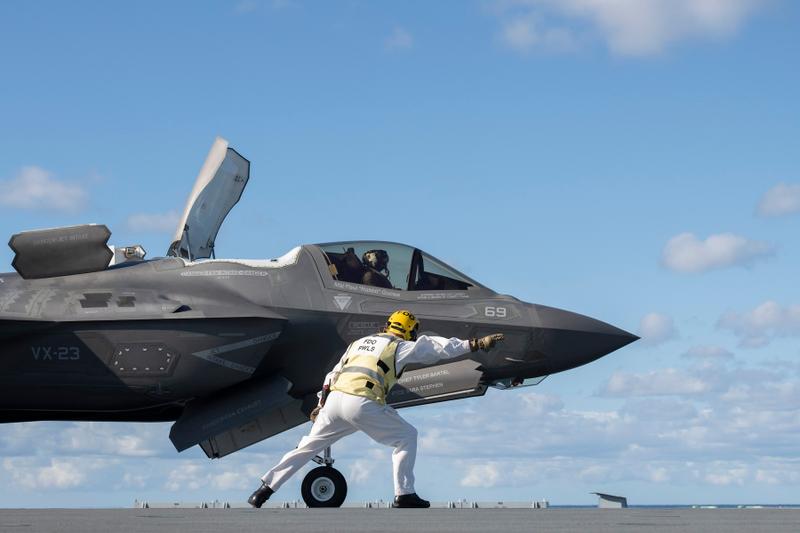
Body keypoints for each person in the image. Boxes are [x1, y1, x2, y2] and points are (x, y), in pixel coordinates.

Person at [248, 310, 504, 508]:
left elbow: (331, 375)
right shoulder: (399, 346)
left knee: (307, 447)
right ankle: (404, 494)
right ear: (409, 331)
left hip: (334, 402)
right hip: (362, 401)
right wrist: (476, 344)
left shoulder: (357, 344)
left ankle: (264, 490)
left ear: (388, 325)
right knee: (406, 436)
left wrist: (320, 405)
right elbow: (437, 348)